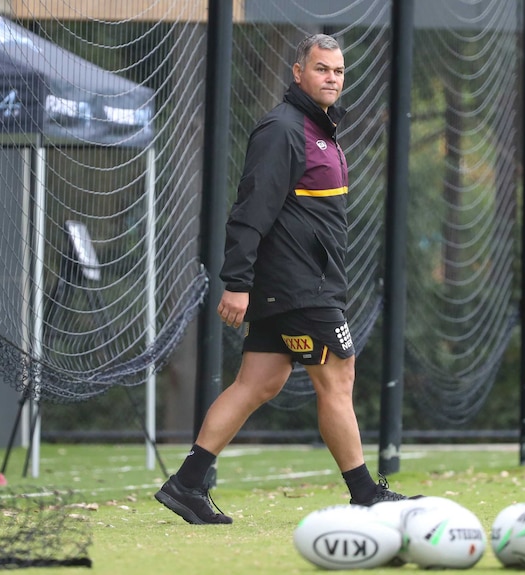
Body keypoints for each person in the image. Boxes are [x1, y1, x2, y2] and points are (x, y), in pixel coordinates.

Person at [155, 33, 409, 525]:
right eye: (321, 69)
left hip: (296, 281)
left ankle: (186, 484)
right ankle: (365, 495)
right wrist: (237, 281)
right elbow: (251, 210)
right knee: (338, 375)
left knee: (258, 382)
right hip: (299, 285)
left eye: (337, 71)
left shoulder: (319, 129)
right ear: (298, 72)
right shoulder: (283, 129)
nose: (331, 78)